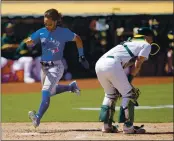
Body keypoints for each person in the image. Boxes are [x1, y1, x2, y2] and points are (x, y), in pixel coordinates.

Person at [26, 9, 89, 128]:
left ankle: (37, 118)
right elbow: (30, 40)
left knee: (45, 92)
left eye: (49, 24)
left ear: (55, 21)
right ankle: (71, 87)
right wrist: (29, 42)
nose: (47, 26)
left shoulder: (63, 32)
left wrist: (81, 55)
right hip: (44, 68)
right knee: (51, 92)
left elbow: (78, 39)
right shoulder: (41, 32)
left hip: (56, 67)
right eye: (45, 24)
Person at [95, 27, 156, 134]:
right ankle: (128, 127)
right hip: (113, 64)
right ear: (147, 37)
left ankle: (106, 126)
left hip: (99, 63)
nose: (152, 41)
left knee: (110, 94)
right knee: (129, 94)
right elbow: (137, 64)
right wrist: (130, 80)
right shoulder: (146, 44)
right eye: (152, 38)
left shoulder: (129, 42)